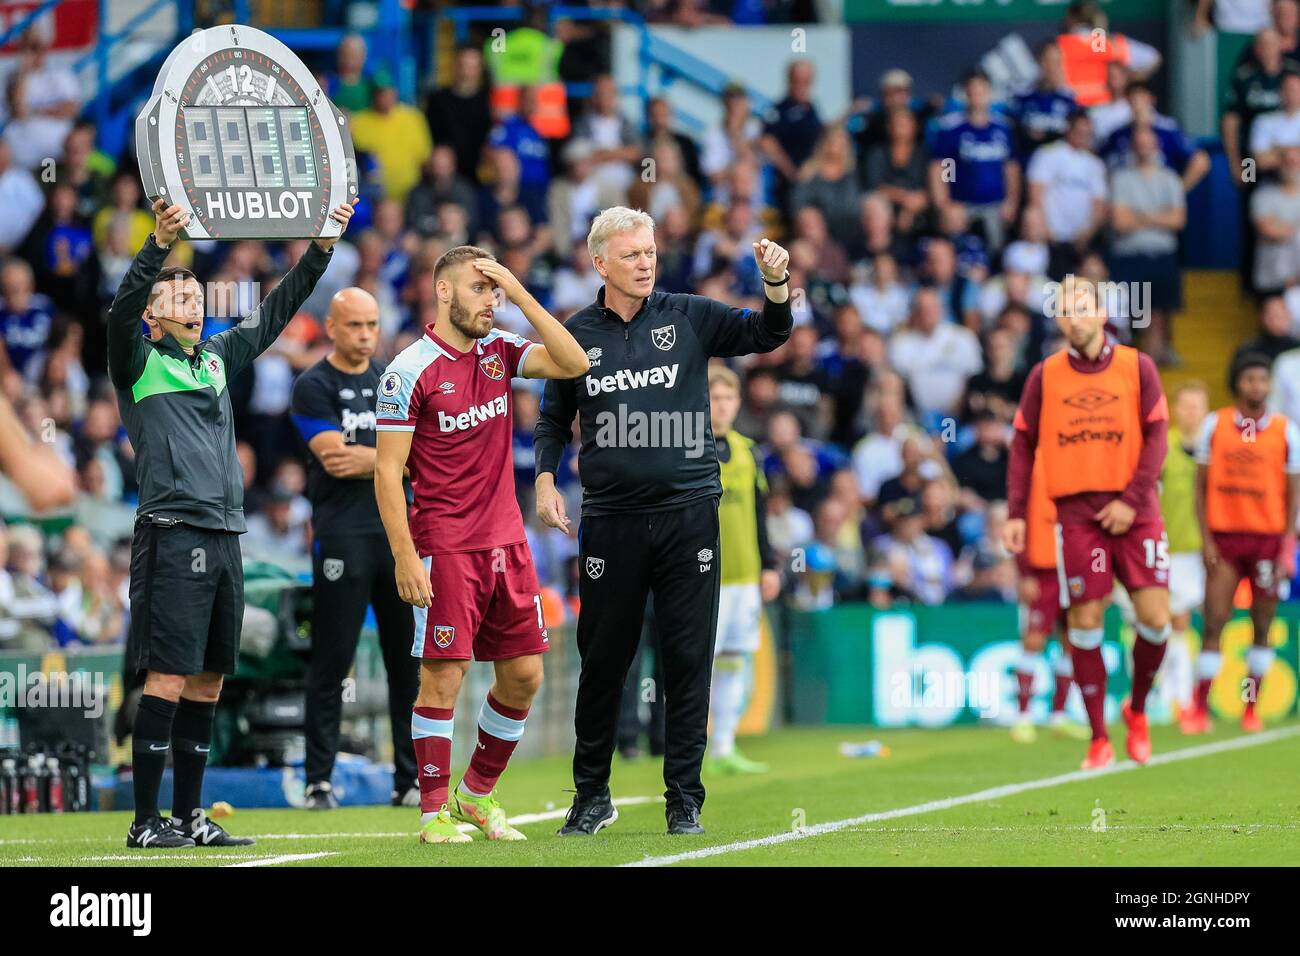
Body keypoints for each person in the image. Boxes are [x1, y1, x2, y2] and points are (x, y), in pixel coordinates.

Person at [534, 206, 791, 836]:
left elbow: (769, 334)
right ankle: (591, 796)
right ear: (600, 263)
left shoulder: (691, 315)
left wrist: (777, 284)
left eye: (650, 252)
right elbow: (549, 419)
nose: (646, 263)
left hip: (687, 518)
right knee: (602, 664)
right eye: (631, 255)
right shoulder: (576, 334)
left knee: (686, 662)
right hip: (611, 522)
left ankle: (685, 800)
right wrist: (544, 479)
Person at [113, 197, 353, 849]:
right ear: (152, 317)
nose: (192, 300)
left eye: (195, 292)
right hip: (171, 533)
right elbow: (119, 307)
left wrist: (322, 247)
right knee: (166, 674)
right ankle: (144, 822)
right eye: (177, 295)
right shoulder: (135, 364)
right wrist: (158, 248)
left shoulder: (216, 359)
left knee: (212, 676)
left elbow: (276, 312)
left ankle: (191, 818)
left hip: (226, 536)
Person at [374, 246, 588, 844]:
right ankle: (432, 813)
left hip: (507, 543)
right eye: (479, 289)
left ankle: (474, 797)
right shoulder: (409, 370)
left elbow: (573, 363)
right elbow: (387, 473)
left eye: (493, 291)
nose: (489, 301)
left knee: (524, 676)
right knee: (444, 677)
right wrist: (405, 556)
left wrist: (517, 291)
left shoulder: (501, 351)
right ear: (443, 292)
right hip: (446, 547)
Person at [1003, 277, 1172, 771]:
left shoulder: (1138, 367)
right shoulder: (1044, 376)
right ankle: (1099, 737)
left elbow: (1158, 436)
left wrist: (1132, 499)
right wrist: (1016, 513)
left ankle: (1136, 709)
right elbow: (1021, 445)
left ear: (1101, 312)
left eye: (1082, 308)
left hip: (1135, 512)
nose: (1073, 318)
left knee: (1157, 621)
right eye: (1064, 311)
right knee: (1085, 622)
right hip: (1077, 516)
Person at [290, 287, 419, 810]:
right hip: (341, 537)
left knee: (405, 664)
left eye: (372, 324)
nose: (366, 335)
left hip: (397, 537)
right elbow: (332, 459)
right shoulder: (312, 386)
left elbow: (417, 455)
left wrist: (386, 459)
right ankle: (318, 780)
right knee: (332, 660)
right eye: (356, 326)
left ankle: (409, 780)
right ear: (333, 328)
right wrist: (394, 459)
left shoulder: (392, 380)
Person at [1188, 354, 1299, 734]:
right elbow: (1199, 488)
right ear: (1238, 383)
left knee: (1262, 627)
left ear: (1269, 385)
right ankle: (1199, 707)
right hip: (1225, 539)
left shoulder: (1286, 431)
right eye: (1249, 379)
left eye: (1262, 380)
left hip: (1267, 542)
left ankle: (1251, 707)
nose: (1256, 386)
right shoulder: (1214, 425)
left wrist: (1286, 545)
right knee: (1214, 622)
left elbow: (1292, 493)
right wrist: (1206, 539)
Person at [704, 366, 780, 776]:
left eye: (729, 398)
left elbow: (760, 511)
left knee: (733, 659)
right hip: (705, 577)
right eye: (716, 398)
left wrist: (769, 564)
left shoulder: (750, 451)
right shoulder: (689, 448)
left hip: (745, 575)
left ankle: (724, 747)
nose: (723, 405)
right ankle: (692, 748)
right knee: (701, 665)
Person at [1009, 453, 1088, 744]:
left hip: (1074, 566)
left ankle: (1058, 715)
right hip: (1042, 570)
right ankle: (1023, 716)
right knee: (1033, 639)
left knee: (1071, 640)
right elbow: (1017, 516)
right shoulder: (1033, 463)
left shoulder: (1082, 464)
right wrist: (1024, 570)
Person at [1160, 382, 1210, 725]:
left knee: (1205, 623)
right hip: (1171, 548)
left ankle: (1190, 698)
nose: (1191, 412)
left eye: (1197, 406)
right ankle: (1177, 698)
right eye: (1186, 405)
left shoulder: (1215, 449)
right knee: (1173, 621)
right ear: (1176, 409)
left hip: (1209, 551)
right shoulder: (1163, 446)